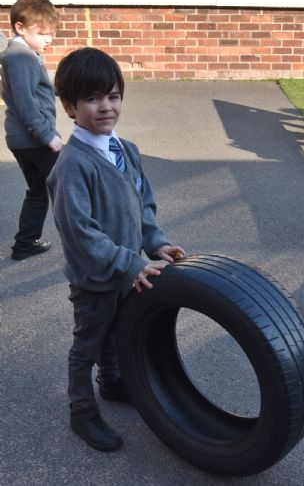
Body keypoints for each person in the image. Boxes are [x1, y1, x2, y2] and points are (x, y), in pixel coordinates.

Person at [47, 47, 185, 452]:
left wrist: (156, 243)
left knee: (119, 332)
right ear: (70, 107)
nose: (106, 107)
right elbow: (79, 232)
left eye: (113, 96)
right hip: (95, 278)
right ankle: (82, 411)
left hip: (129, 272)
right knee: (88, 344)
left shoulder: (128, 151)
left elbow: (143, 206)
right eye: (92, 98)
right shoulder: (72, 165)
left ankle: (111, 382)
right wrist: (128, 262)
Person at [1, 0, 63, 260]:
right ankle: (89, 242)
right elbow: (26, 104)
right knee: (68, 188)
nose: (49, 39)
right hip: (35, 140)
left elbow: (38, 87)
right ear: (20, 27)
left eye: (51, 33)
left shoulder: (23, 53)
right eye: (43, 33)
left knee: (38, 191)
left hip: (23, 140)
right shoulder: (20, 57)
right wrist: (48, 136)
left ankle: (26, 242)